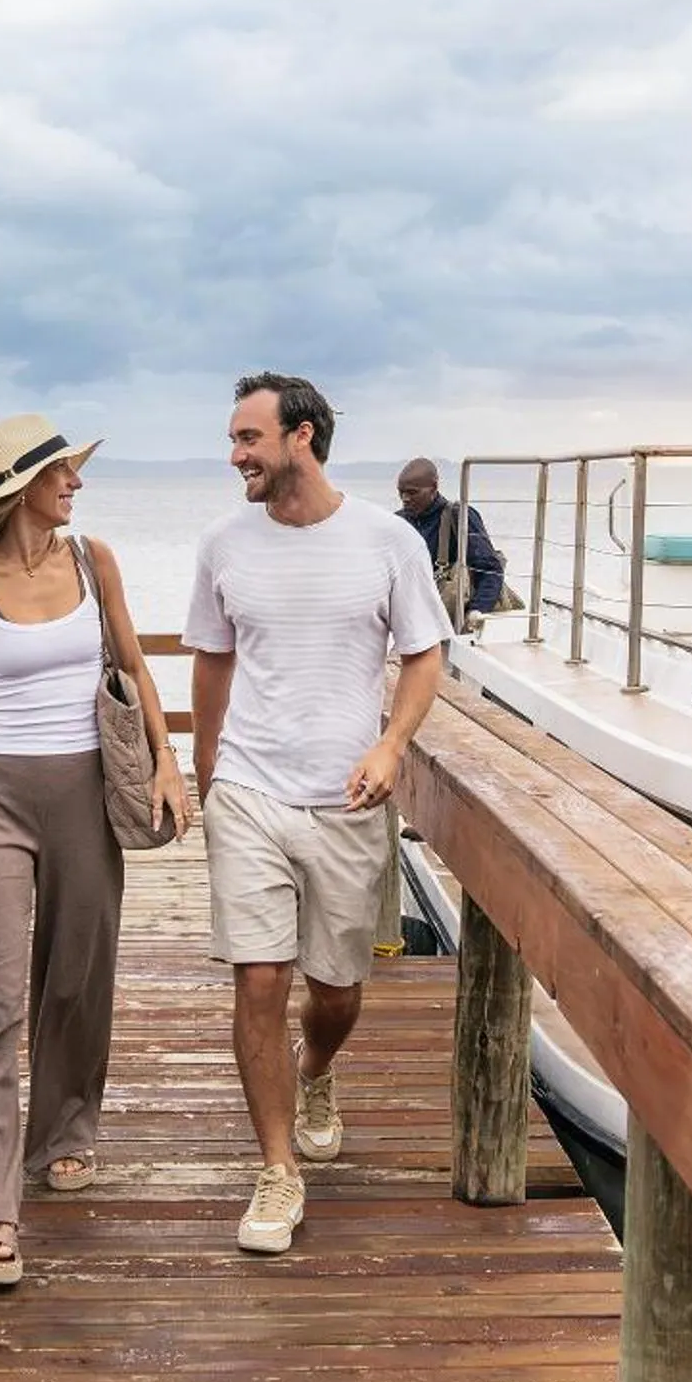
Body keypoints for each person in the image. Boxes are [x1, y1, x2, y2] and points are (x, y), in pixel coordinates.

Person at [0, 413, 188, 1288]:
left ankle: (67, 1130)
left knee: (75, 971)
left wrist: (168, 765)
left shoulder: (92, 561)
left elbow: (134, 666)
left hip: (86, 792)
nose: (76, 483)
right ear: (19, 488)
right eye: (63, 472)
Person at [185, 372, 449, 1255]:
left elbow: (422, 656)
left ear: (301, 437)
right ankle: (275, 1170)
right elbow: (212, 661)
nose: (235, 456)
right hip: (252, 792)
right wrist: (207, 769)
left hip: (346, 795)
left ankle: (318, 1071)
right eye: (232, 439)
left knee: (334, 990)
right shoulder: (224, 543)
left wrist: (390, 746)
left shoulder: (385, 541)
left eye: (248, 439)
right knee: (258, 976)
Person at [394, 458, 505, 618]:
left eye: (412, 492)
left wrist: (477, 612)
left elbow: (490, 569)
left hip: (451, 619)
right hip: (411, 616)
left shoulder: (460, 516)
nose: (405, 498)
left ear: (434, 488)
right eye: (401, 492)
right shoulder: (397, 521)